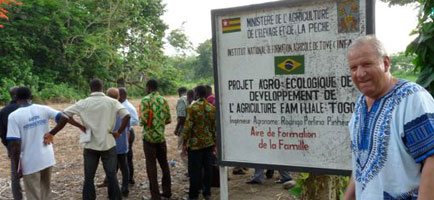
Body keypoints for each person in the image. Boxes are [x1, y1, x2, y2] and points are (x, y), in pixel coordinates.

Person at [343, 35, 434, 199]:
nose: (360, 73)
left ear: (385, 63)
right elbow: (361, 166)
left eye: (367, 64)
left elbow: (432, 160)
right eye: (353, 67)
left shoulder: (412, 99)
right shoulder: (360, 105)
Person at [63, 78, 130, 200]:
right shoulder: (112, 102)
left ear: (90, 88)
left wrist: (80, 126)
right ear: (102, 88)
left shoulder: (83, 103)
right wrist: (119, 132)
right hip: (108, 143)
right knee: (111, 176)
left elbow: (64, 114)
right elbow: (127, 115)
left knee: (89, 177)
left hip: (90, 144)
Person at [6, 86, 74, 200]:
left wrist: (18, 166)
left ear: (15, 98)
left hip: (30, 162)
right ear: (31, 97)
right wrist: (52, 133)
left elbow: (15, 146)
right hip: (47, 158)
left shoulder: (14, 116)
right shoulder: (43, 109)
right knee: (45, 192)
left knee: (33, 195)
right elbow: (65, 118)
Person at [182, 85, 216, 200]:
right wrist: (215, 143)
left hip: (195, 145)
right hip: (208, 144)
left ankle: (194, 195)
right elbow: (214, 128)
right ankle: (207, 193)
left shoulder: (192, 108)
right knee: (208, 169)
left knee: (194, 171)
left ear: (196, 94)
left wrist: (184, 143)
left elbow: (187, 127)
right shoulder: (211, 108)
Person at [139, 79, 172, 200]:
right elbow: (168, 119)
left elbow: (143, 121)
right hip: (161, 138)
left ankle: (155, 195)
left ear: (148, 87)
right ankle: (167, 191)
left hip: (149, 139)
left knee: (151, 167)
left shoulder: (145, 100)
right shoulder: (163, 100)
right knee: (164, 164)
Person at [98, 88, 130, 197]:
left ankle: (111, 192)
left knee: (111, 169)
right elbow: (128, 128)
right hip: (122, 143)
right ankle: (125, 188)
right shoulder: (123, 109)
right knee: (124, 166)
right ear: (118, 97)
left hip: (110, 144)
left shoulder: (105, 111)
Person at [0, 86, 22, 200]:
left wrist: (8, 145)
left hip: (12, 147)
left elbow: (2, 134)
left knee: (15, 175)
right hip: (29, 145)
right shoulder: (25, 108)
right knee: (33, 173)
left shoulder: (3, 111)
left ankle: (18, 198)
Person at [118, 87, 139, 185]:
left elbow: (135, 120)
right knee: (119, 156)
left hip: (128, 132)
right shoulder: (120, 105)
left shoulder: (128, 107)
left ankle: (130, 179)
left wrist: (124, 122)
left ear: (121, 95)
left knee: (127, 156)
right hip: (121, 132)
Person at [174, 87, 189, 169]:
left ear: (179, 93)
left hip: (183, 129)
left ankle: (190, 169)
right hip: (190, 128)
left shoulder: (181, 100)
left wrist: (177, 129)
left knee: (182, 150)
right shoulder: (191, 98)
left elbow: (181, 117)